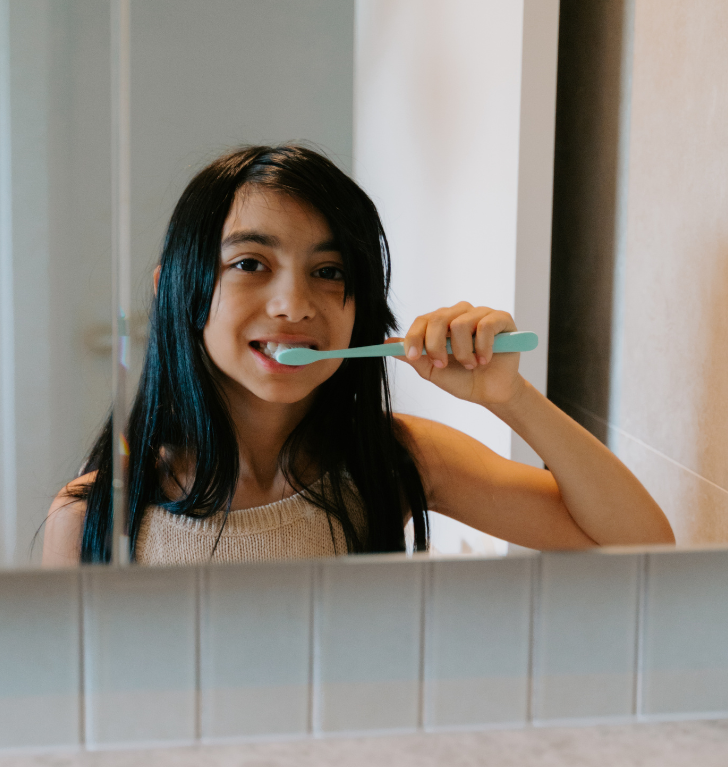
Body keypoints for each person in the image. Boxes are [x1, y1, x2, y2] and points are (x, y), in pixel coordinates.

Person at [43, 145, 673, 566]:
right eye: (250, 264)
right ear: (173, 292)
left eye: (329, 270)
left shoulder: (392, 460)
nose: (294, 304)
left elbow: (640, 549)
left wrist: (511, 398)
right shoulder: (92, 516)